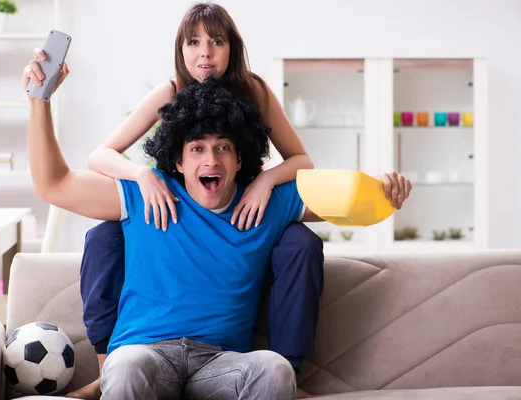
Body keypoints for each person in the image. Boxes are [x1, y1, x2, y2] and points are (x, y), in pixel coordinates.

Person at [26, 3, 411, 399]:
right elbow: (56, 182)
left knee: (276, 359)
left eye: (224, 148)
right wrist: (40, 101)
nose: (211, 159)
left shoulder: (262, 179)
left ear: (242, 156)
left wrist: (387, 189)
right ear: (176, 158)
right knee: (121, 341)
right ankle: (105, 376)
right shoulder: (147, 192)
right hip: (147, 356)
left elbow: (347, 196)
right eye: (196, 149)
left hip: (221, 362)